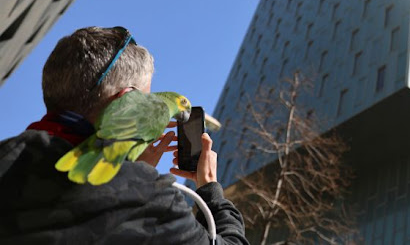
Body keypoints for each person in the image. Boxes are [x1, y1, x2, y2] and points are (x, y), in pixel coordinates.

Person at [0, 26, 249, 244]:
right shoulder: (148, 202)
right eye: (144, 98)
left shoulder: (8, 156)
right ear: (126, 99)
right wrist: (210, 189)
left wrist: (125, 165)